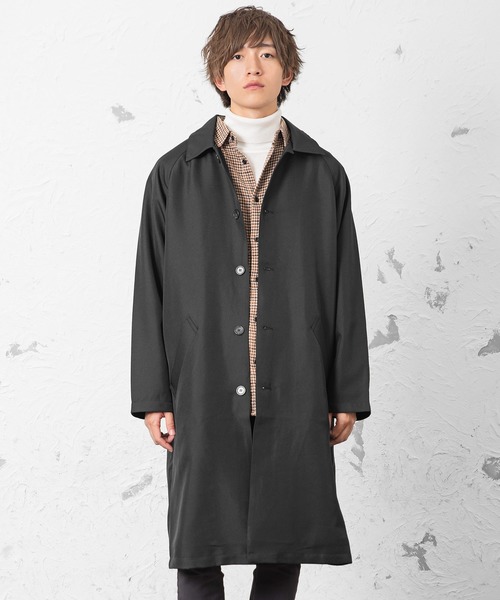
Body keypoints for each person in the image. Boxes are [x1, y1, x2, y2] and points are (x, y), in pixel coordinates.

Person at [130, 5, 371, 599]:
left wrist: (346, 392)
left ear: (287, 70)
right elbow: (149, 286)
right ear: (219, 74)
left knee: (285, 541)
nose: (252, 66)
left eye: (266, 54)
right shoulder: (174, 173)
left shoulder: (323, 173)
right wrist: (154, 396)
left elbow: (346, 288)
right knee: (198, 544)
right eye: (237, 56)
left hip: (296, 380)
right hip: (203, 382)